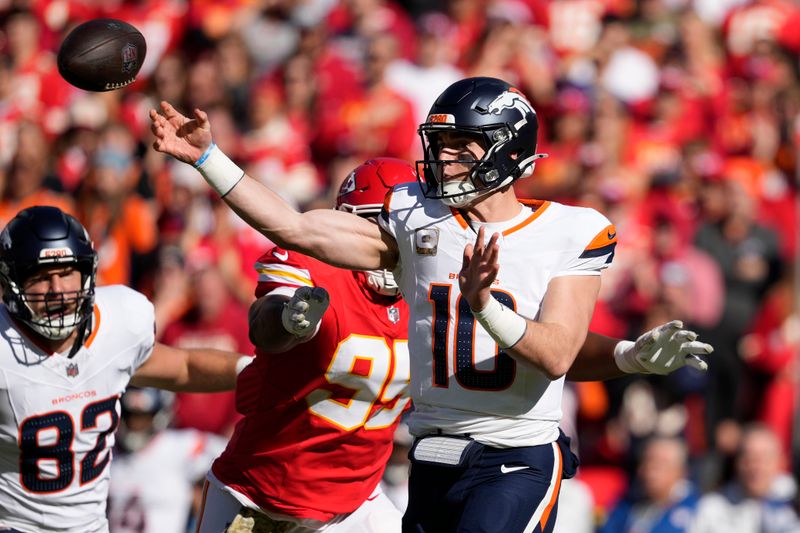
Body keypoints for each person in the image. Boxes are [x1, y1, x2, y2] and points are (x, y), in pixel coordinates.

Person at [151, 76, 712, 533]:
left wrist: (485, 305)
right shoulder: (419, 217)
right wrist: (210, 160)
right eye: (437, 146)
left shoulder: (571, 230)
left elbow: (558, 352)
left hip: (512, 456)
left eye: (459, 149)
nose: (441, 162)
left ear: (507, 152)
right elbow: (295, 227)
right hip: (432, 455)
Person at [0, 206, 252, 533]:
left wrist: (256, 369)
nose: (57, 290)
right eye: (41, 276)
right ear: (13, 282)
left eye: (66, 272)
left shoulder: (120, 320)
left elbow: (182, 366)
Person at [107, 387, 227, 533]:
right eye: (130, 416)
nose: (135, 424)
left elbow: (232, 453)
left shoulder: (179, 447)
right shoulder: (107, 450)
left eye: (142, 417)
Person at [691, 424, 800, 533]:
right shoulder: (712, 508)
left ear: (781, 462)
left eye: (765, 458)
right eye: (749, 458)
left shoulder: (792, 502)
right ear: (737, 463)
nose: (756, 466)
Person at [600, 436, 700, 533]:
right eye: (646, 462)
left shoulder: (699, 507)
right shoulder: (626, 506)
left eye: (660, 464)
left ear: (681, 470)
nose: (650, 471)